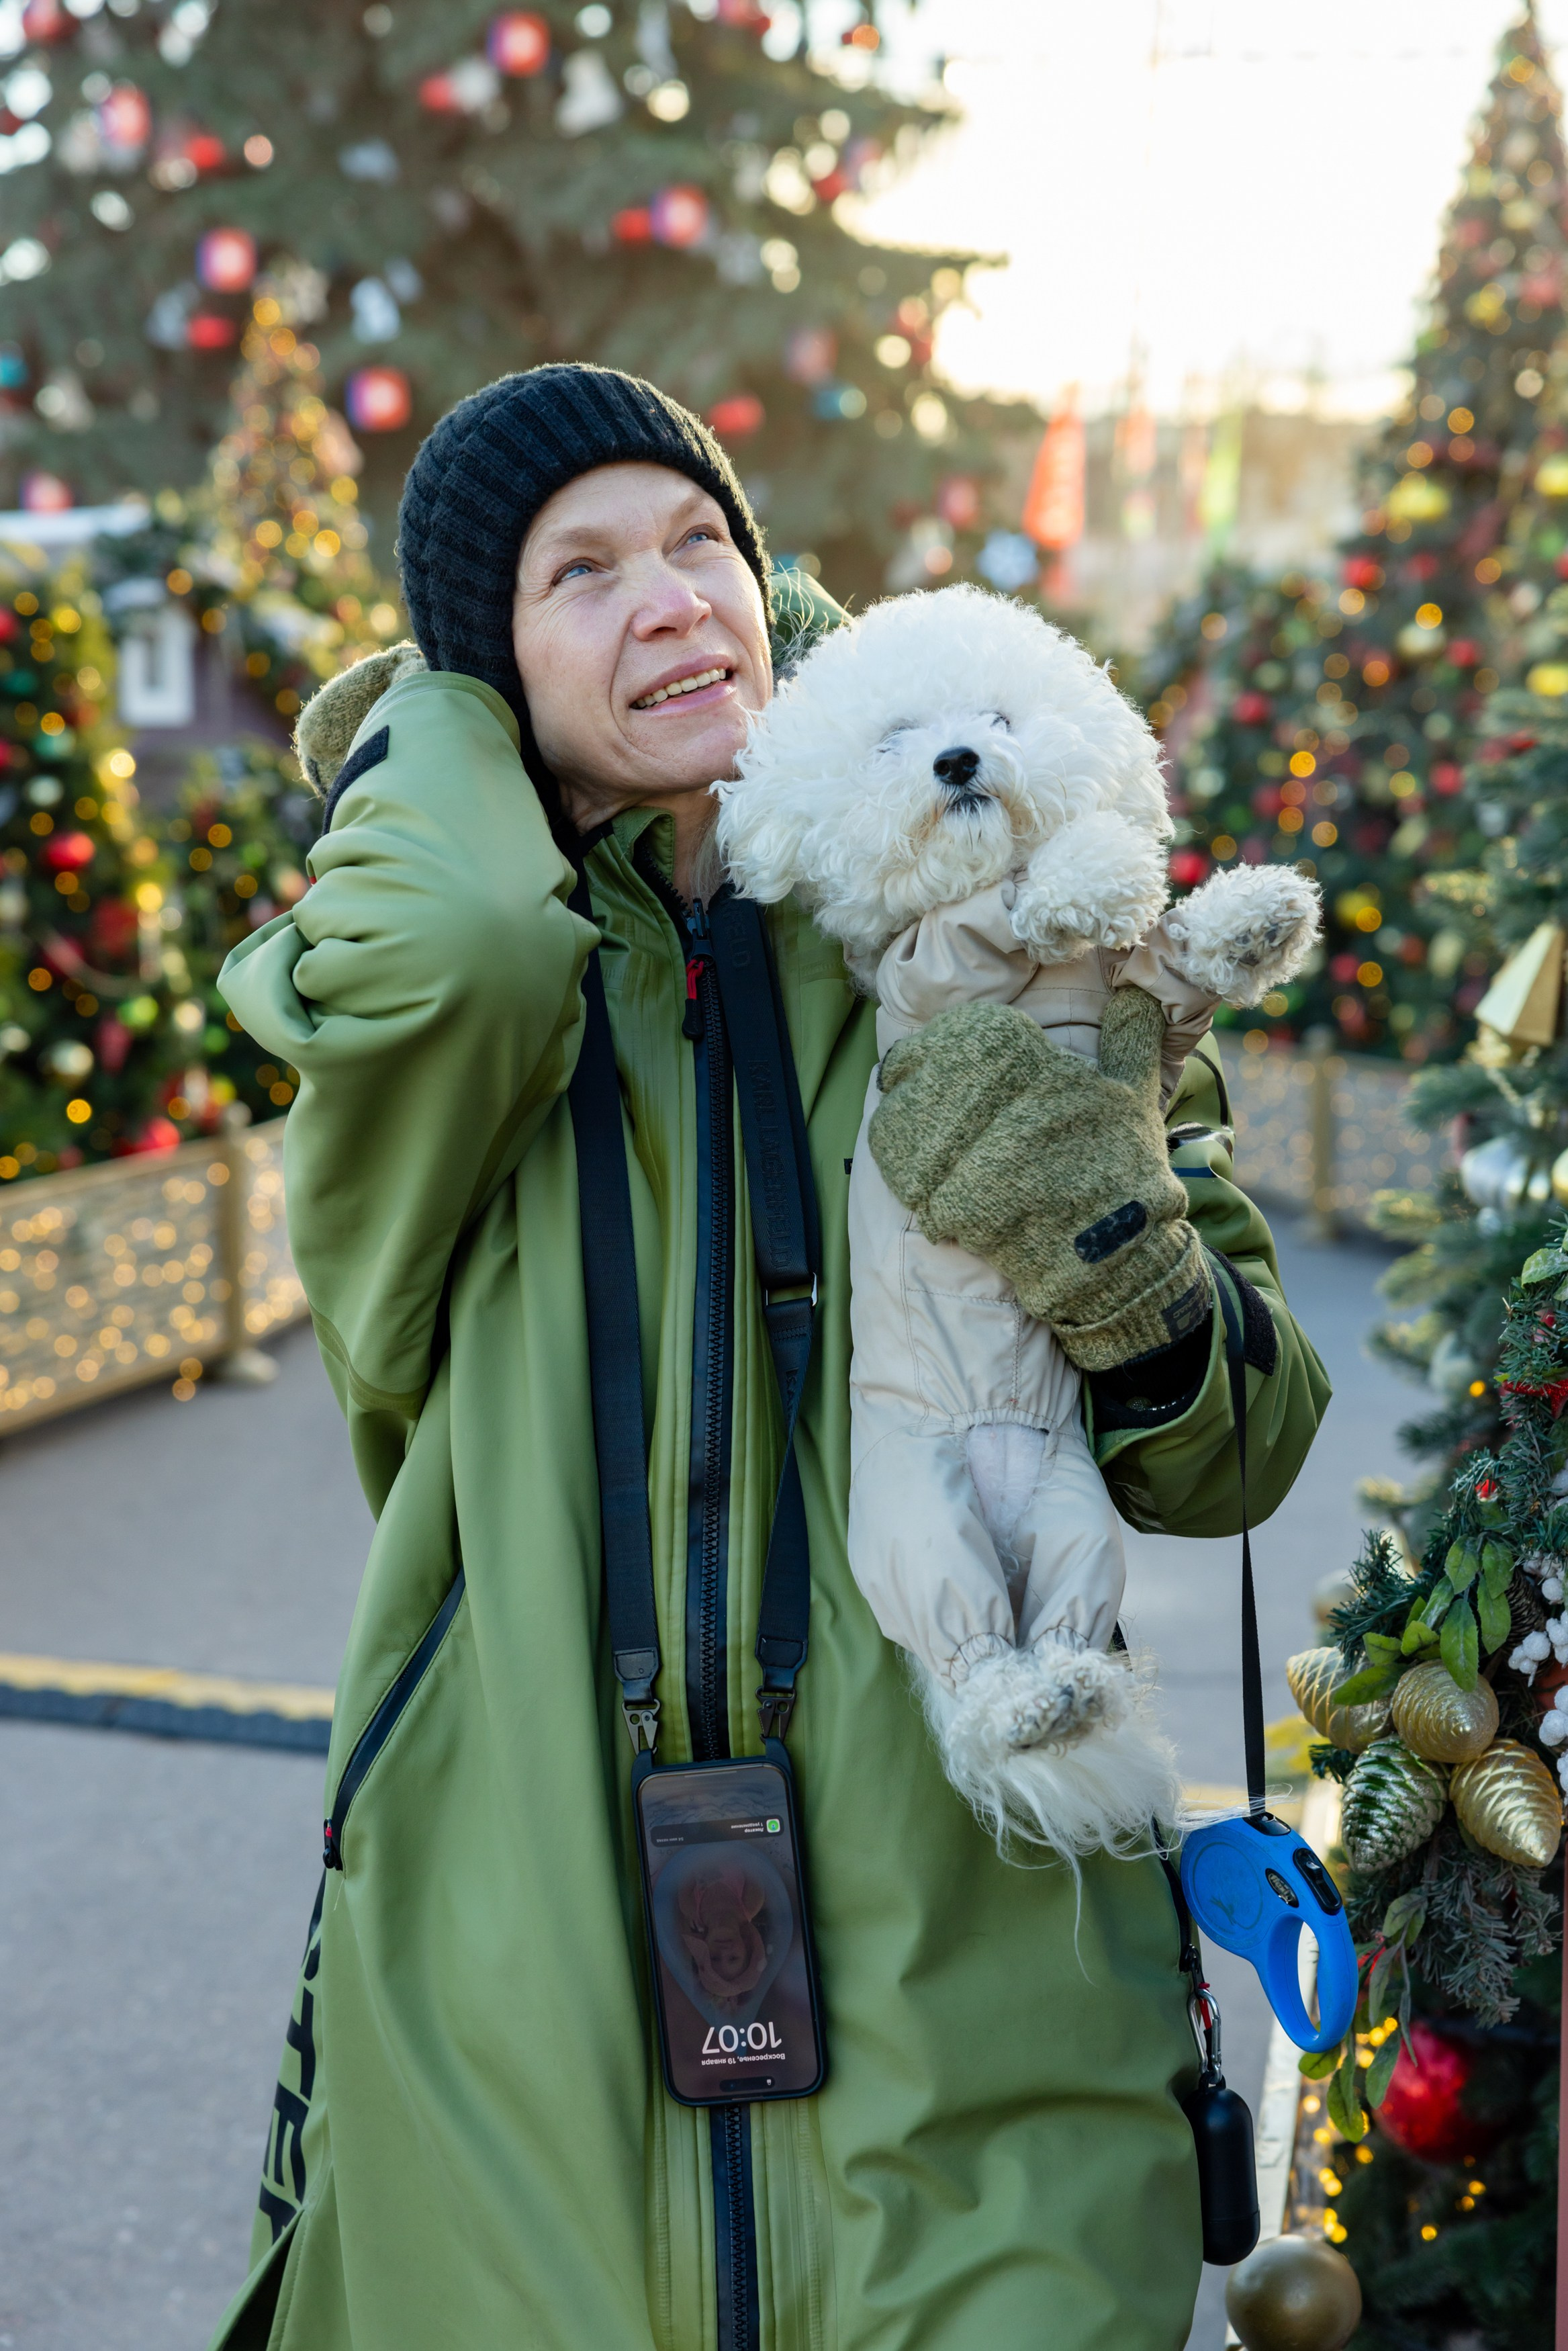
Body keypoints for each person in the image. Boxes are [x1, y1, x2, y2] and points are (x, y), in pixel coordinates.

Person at [212, 363, 1330, 2351]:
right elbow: (463, 929)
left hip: (984, 1995)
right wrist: (434, 732)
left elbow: (1230, 1451)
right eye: (580, 573)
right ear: (480, 672)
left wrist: (1117, 1256)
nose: (671, 600)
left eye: (703, 545)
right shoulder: (446, 1021)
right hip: (518, 2010)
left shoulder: (1000, 914)